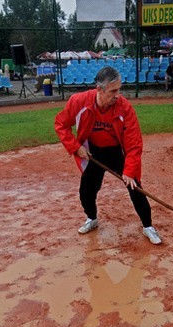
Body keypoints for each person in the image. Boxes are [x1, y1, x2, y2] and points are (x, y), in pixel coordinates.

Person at [54, 66, 162, 245]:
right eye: (113, 91)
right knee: (87, 190)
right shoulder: (78, 101)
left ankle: (148, 226)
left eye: (119, 89)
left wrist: (128, 170)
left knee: (134, 187)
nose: (117, 95)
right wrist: (75, 147)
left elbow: (134, 143)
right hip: (93, 152)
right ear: (99, 90)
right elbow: (61, 124)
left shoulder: (124, 107)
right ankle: (92, 218)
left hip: (117, 152)